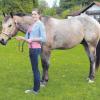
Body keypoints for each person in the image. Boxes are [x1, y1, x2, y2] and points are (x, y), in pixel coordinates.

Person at [15, 8, 46, 94]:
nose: (33, 16)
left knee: (35, 70)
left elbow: (44, 38)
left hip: (35, 49)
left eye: (35, 14)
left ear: (39, 15)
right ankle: (36, 88)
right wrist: (21, 38)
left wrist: (32, 39)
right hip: (31, 48)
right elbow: (27, 38)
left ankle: (35, 90)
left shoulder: (40, 24)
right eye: (32, 14)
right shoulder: (33, 24)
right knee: (34, 69)